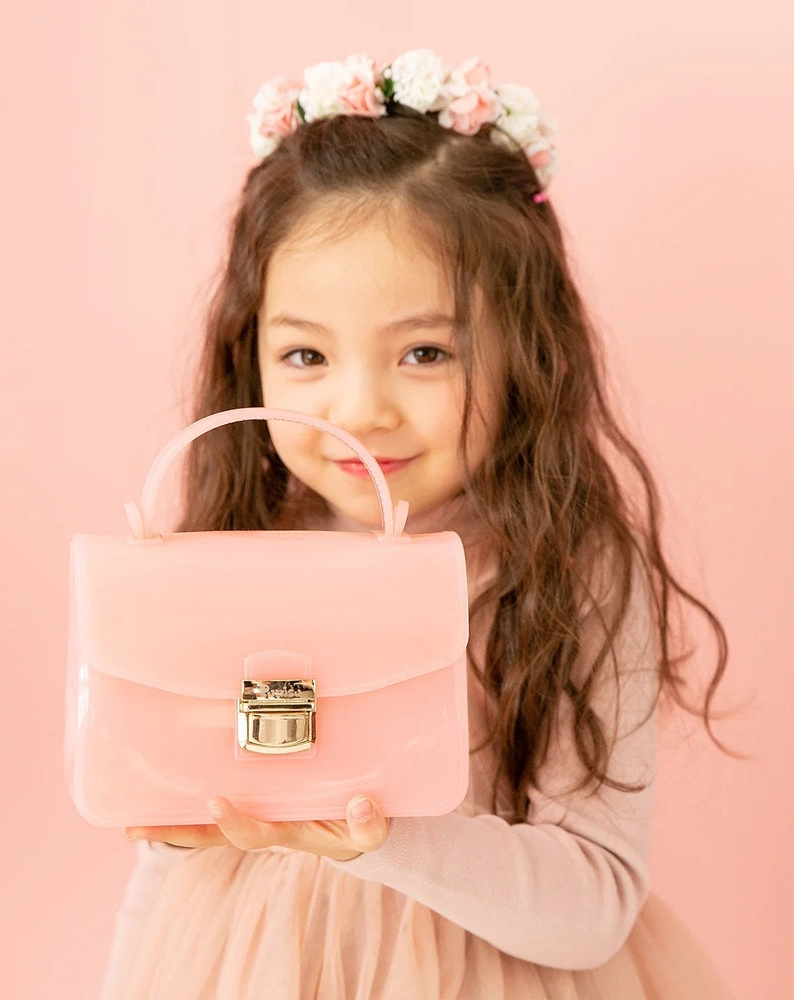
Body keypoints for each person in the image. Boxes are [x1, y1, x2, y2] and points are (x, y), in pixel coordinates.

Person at [98, 49, 737, 999]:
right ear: (250, 354)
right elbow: (168, 859)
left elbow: (596, 901)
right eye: (306, 353)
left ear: (529, 354)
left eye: (425, 352)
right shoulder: (240, 549)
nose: (358, 411)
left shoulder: (564, 567)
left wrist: (382, 837)